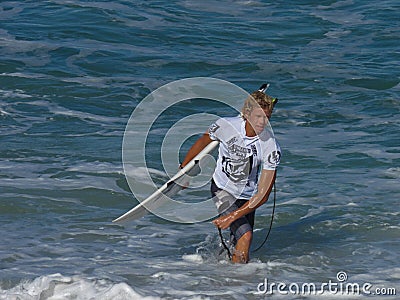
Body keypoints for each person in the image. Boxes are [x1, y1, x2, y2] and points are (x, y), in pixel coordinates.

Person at [180, 84, 281, 263]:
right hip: (222, 189)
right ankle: (239, 283)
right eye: (258, 116)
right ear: (246, 113)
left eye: (266, 118)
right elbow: (203, 141)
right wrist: (185, 170)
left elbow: (263, 194)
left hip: (248, 197)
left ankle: (229, 280)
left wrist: (233, 216)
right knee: (246, 236)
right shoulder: (226, 126)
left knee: (239, 243)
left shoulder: (270, 145)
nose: (262, 122)